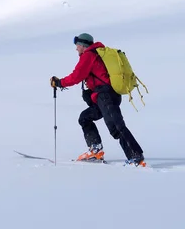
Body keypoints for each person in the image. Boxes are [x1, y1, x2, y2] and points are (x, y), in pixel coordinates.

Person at [50, 33, 146, 167]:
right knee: (84, 118)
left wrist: (60, 83)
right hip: (102, 97)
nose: (76, 48)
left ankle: (136, 156)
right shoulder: (95, 54)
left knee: (117, 127)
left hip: (105, 96)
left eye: (77, 45)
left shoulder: (89, 55)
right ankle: (96, 150)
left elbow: (76, 76)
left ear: (83, 45)